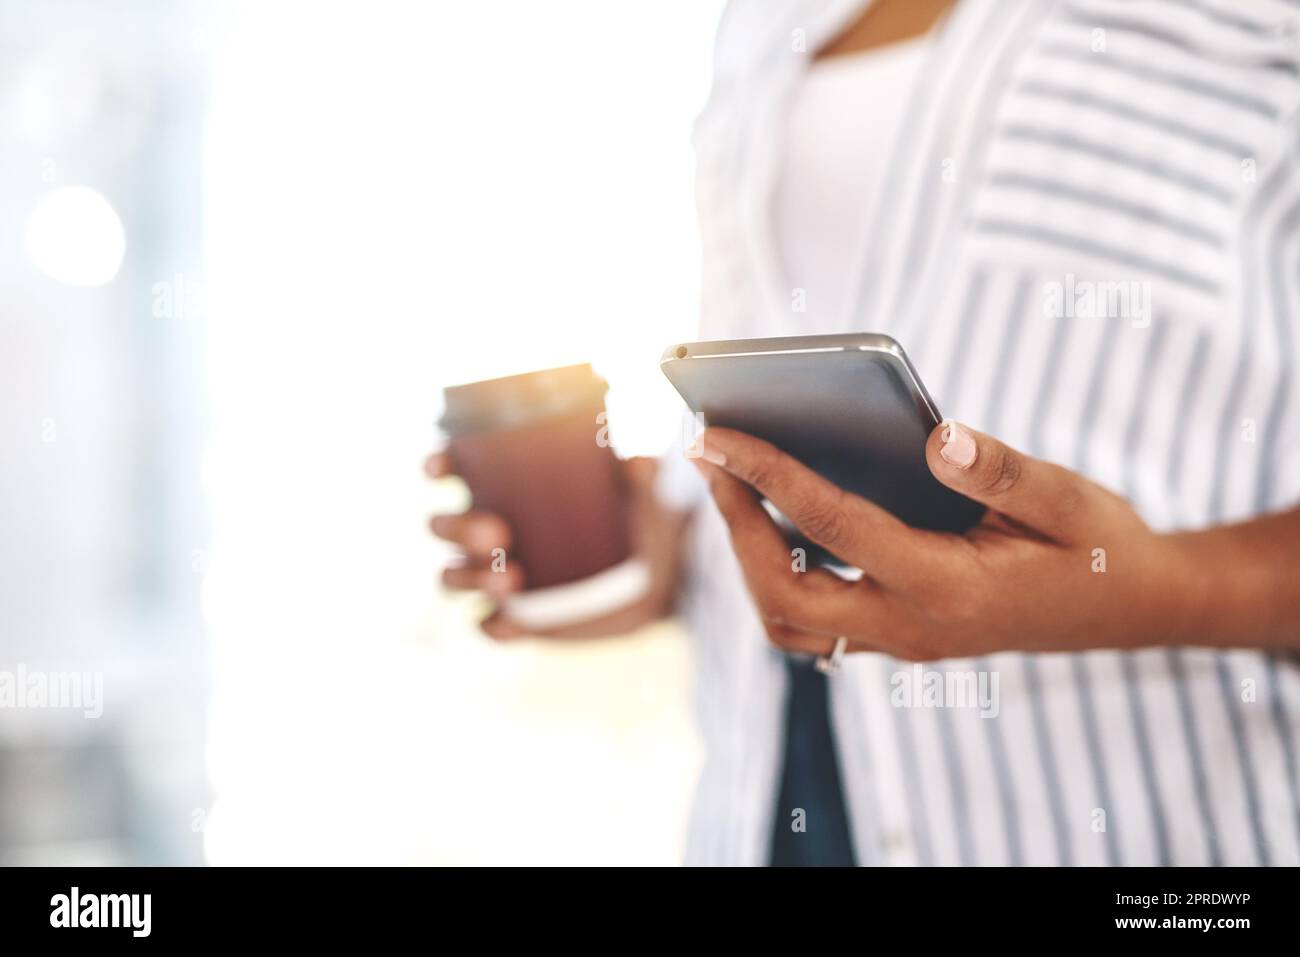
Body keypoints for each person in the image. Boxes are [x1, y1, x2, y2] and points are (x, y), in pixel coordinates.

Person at [429, 0, 1300, 865]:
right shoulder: (758, 24)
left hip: (1142, 819)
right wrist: (671, 550)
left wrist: (1153, 588)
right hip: (767, 801)